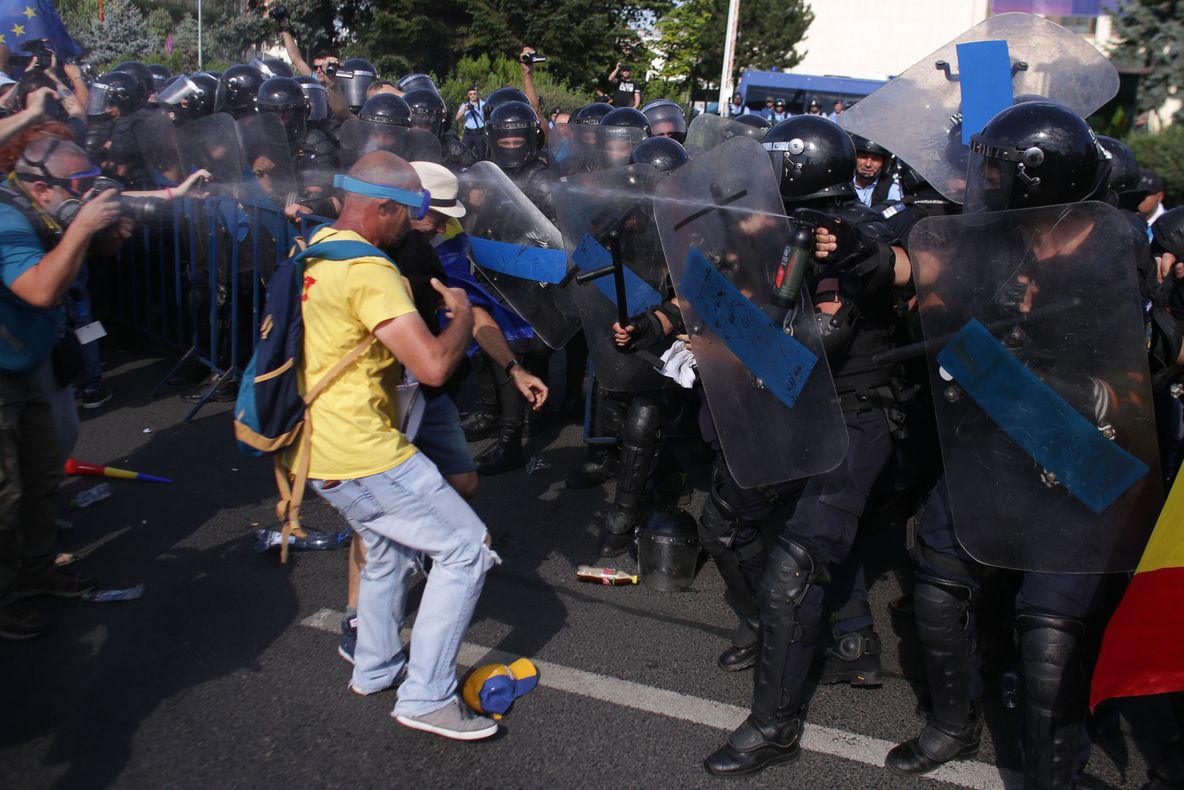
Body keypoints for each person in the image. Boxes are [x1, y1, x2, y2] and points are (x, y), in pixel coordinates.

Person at [297, 150, 499, 740]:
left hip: (317, 447)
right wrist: (460, 316)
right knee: (465, 548)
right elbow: (434, 366)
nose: (415, 224)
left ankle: (374, 664)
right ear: (383, 207)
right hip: (364, 451)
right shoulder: (368, 269)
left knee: (386, 550)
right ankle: (428, 697)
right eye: (408, 211)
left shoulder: (311, 249)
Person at [337, 160, 548, 663]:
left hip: (429, 398)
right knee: (375, 521)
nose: (443, 223)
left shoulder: (439, 246)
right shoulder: (360, 257)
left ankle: (424, 550)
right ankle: (357, 615)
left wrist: (514, 368)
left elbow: (473, 312)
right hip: (379, 400)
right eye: (435, 213)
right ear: (400, 206)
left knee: (463, 481)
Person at [0, 137, 127, 639]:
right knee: (5, 493)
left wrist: (98, 233)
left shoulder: (40, 212)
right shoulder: (7, 221)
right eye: (77, 186)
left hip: (24, 364)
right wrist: (81, 228)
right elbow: (40, 288)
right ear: (39, 187)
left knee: (42, 475)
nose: (86, 193)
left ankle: (34, 570)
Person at [455, 86, 486, 159]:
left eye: (474, 93)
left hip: (479, 132)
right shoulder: (465, 105)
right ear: (468, 95)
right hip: (468, 133)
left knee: (481, 154)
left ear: (477, 94)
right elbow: (457, 118)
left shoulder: (483, 104)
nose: (473, 96)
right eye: (470, 94)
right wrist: (464, 110)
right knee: (464, 153)